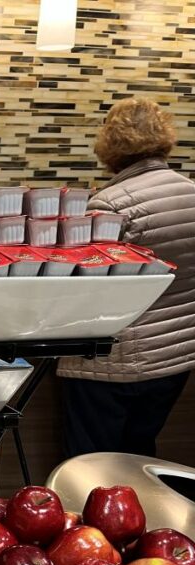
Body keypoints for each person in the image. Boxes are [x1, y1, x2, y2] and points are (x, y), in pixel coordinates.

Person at [59, 98, 195, 458]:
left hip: (113, 361)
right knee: (137, 456)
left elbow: (87, 283)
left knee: (91, 463)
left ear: (110, 143)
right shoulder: (190, 193)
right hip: (175, 356)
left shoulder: (111, 204)